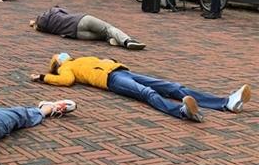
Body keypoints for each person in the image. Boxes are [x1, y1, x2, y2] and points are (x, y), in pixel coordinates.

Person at [30, 53, 251, 123]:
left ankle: (225, 102)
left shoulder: (81, 58)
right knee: (148, 93)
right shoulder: (65, 69)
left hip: (119, 71)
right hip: (111, 81)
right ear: (58, 64)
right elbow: (66, 82)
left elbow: (105, 59)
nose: (63, 55)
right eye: (60, 57)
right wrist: (43, 77)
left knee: (172, 86)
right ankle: (182, 112)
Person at [29, 7, 145, 50]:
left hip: (75, 34)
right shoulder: (53, 11)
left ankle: (111, 40)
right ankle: (127, 41)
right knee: (109, 28)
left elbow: (37, 25)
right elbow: (65, 10)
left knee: (103, 35)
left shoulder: (46, 28)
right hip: (82, 20)